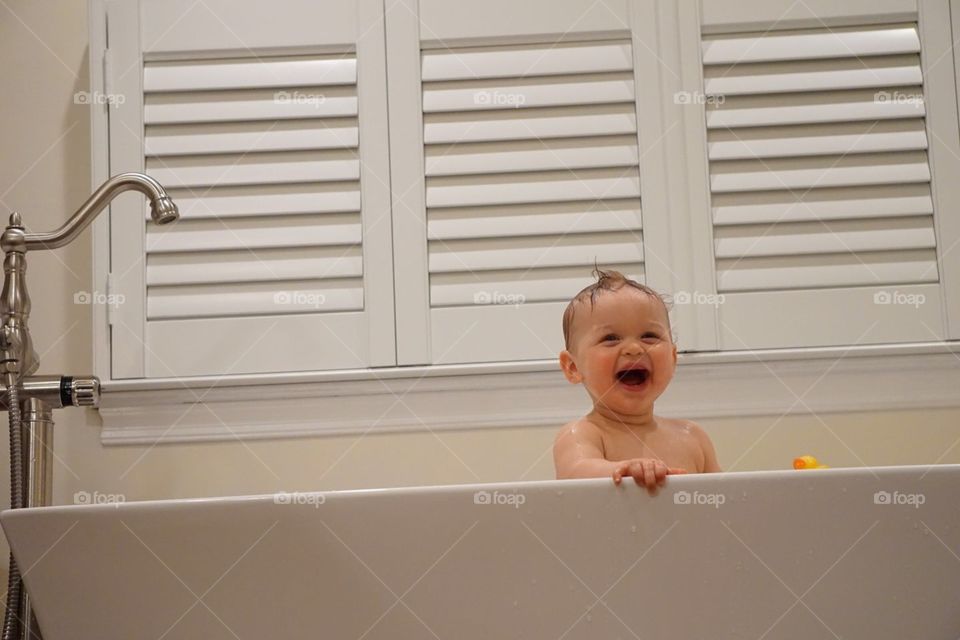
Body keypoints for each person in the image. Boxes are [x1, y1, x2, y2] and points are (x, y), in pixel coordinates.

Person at [553, 269, 721, 489]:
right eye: (610, 338)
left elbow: (724, 501)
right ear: (573, 367)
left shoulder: (693, 438)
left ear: (672, 357)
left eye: (649, 336)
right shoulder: (584, 434)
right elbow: (574, 474)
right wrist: (621, 470)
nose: (634, 348)